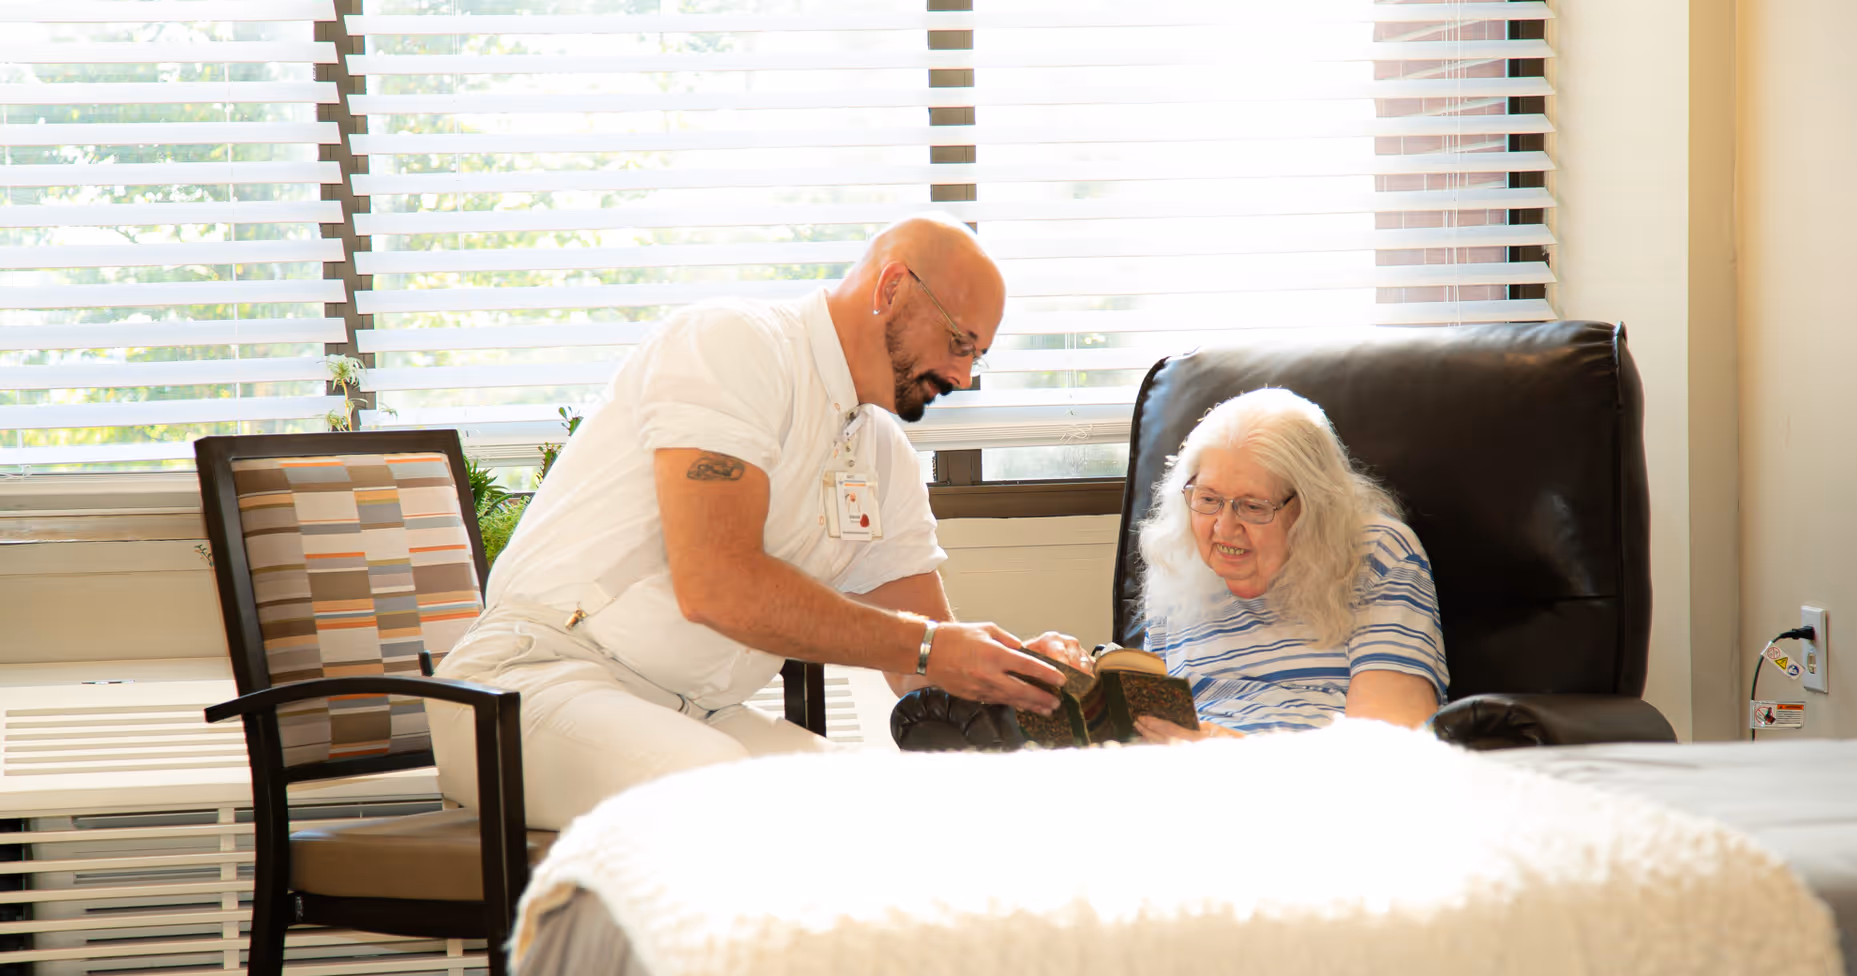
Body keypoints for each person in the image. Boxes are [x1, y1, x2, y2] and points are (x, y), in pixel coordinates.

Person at [425, 215, 1080, 830]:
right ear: (891, 287)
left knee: (883, 816)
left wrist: (1018, 669)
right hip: (526, 683)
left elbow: (919, 661)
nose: (964, 376)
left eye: (979, 356)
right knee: (733, 804)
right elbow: (717, 586)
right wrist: (934, 646)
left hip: (693, 712)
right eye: (960, 342)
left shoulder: (883, 455)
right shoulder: (734, 346)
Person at [1129, 388, 1447, 743]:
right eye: (1208, 499)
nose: (1223, 528)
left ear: (1312, 507)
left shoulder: (1376, 555)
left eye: (1252, 506)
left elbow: (1390, 744)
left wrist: (1228, 753)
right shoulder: (1177, 564)